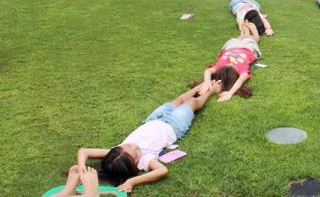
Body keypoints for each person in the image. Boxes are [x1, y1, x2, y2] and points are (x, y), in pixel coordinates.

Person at [75, 80, 222, 193]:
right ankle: (211, 91)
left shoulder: (116, 153)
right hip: (173, 126)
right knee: (191, 103)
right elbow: (162, 171)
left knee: (178, 100)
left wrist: (82, 170)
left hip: (152, 120)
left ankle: (199, 87)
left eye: (128, 145)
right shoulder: (145, 160)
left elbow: (84, 151)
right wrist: (132, 182)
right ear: (134, 164)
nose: (134, 145)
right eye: (135, 151)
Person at [198, 21, 261, 103]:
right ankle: (254, 30)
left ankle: (245, 32)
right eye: (233, 66)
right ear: (237, 74)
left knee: (241, 37)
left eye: (228, 64)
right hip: (248, 48)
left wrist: (207, 82)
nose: (231, 62)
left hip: (231, 47)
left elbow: (208, 71)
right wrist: (230, 93)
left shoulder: (220, 66)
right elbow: (240, 81)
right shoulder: (242, 70)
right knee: (254, 39)